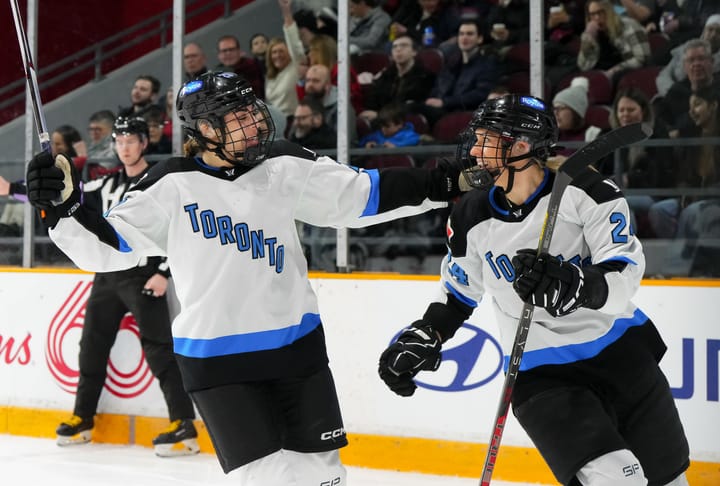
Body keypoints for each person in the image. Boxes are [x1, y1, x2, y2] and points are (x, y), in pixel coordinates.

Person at [25, 71, 462, 485]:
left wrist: (448, 182)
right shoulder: (169, 185)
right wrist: (62, 210)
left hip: (297, 350)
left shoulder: (282, 164)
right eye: (237, 117)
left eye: (252, 111)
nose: (254, 124)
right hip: (218, 362)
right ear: (205, 129)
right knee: (267, 480)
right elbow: (107, 247)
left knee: (324, 477)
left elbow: (360, 194)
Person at [377, 94, 691, 486]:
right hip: (541, 372)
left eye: (486, 140)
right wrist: (428, 333)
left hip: (621, 354)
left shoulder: (589, 191)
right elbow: (458, 293)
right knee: (616, 479)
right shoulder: (471, 215)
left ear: (521, 146)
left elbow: (624, 273)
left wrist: (575, 285)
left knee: (671, 481)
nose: (474, 149)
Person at [45, 117, 199, 456]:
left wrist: (164, 272)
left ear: (144, 143)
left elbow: (181, 228)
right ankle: (82, 418)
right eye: (120, 141)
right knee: (91, 345)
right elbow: (72, 201)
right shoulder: (107, 184)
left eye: (131, 141)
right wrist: (16, 190)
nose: (125, 147)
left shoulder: (157, 183)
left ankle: (184, 424)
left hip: (144, 276)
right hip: (108, 276)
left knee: (159, 349)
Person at [359, 34, 436, 122]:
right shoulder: (386, 74)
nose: (398, 49)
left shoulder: (425, 76)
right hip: (382, 122)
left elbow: (411, 106)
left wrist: (379, 115)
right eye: (394, 47)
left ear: (414, 52)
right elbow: (373, 98)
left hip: (405, 122)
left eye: (404, 45)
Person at [577, 0, 650, 83]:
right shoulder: (590, 34)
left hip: (628, 76)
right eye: (592, 14)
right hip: (600, 78)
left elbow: (642, 59)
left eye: (600, 12)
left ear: (609, 12)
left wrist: (613, 71)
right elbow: (582, 66)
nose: (596, 18)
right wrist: (587, 41)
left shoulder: (629, 25)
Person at [655, 15, 720, 97]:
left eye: (719, 32)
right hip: (674, 95)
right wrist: (674, 92)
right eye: (710, 29)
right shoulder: (685, 49)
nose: (713, 35)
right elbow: (663, 76)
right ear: (704, 31)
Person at [552, 76, 603, 156]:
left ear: (575, 111)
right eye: (554, 109)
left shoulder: (593, 134)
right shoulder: (552, 135)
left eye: (560, 108)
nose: (556, 113)